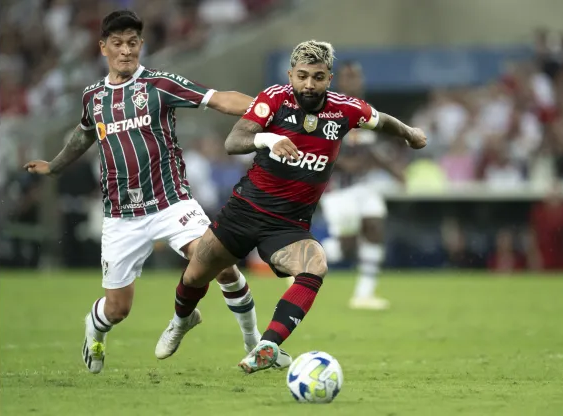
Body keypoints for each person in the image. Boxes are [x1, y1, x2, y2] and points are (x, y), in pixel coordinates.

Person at [23, 10, 290, 374]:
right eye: (117, 43)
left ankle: (255, 342)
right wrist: (53, 166)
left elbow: (217, 99)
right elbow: (84, 133)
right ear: (103, 48)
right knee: (118, 309)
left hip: (171, 202)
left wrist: (272, 109)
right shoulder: (94, 97)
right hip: (121, 216)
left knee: (219, 264)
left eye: (132, 43)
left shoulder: (159, 84)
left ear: (141, 45)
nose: (126, 50)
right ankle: (94, 327)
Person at [155, 40, 427, 374]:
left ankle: (267, 345)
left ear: (329, 78)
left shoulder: (345, 109)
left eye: (317, 77)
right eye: (302, 76)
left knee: (316, 265)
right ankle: (181, 321)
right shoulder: (274, 99)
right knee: (195, 275)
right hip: (244, 211)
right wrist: (267, 139)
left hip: (288, 224)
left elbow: (380, 120)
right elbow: (233, 142)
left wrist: (409, 133)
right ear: (290, 75)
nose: (309, 84)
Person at [316, 60, 406, 310]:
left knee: (375, 225)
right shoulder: (328, 109)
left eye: (358, 76)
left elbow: (370, 148)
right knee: (346, 248)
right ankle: (305, 260)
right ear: (339, 81)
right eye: (349, 76)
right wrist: (343, 163)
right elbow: (317, 146)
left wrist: (393, 170)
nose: (355, 81)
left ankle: (364, 294)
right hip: (338, 188)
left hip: (364, 186)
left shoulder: (367, 110)